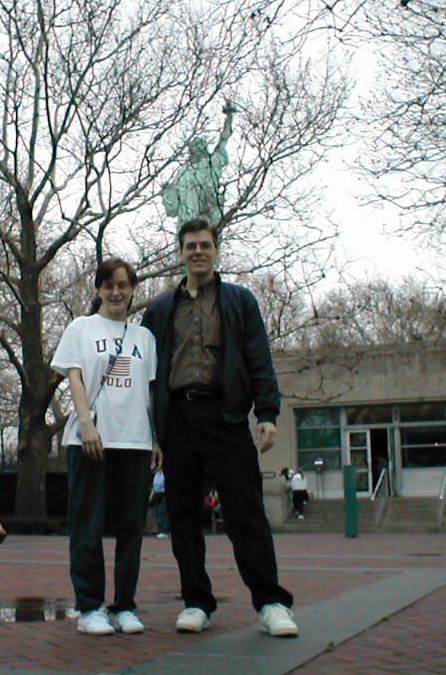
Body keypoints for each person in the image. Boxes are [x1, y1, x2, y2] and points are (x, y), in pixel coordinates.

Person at [141, 217, 298, 638]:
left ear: (216, 250)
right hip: (177, 420)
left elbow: (258, 358)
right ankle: (196, 601)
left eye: (205, 245)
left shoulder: (239, 301)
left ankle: (271, 602)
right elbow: (145, 372)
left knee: (246, 512)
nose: (198, 251)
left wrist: (267, 413)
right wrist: (151, 431)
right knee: (183, 515)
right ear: (180, 251)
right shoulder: (159, 309)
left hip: (225, 416)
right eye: (190, 245)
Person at [51, 257, 159, 636]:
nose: (116, 292)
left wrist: (156, 438)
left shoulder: (144, 338)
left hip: (135, 441)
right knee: (88, 526)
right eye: (108, 284)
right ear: (98, 289)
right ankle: (89, 607)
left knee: (131, 527)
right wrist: (86, 425)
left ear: (132, 290)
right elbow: (75, 378)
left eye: (123, 285)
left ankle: (125, 605)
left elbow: (149, 393)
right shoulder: (81, 328)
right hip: (90, 441)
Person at [151, 469, 170, 538]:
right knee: (158, 514)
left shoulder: (165, 474)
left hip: (164, 494)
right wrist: (151, 496)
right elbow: (154, 486)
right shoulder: (156, 474)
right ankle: (161, 530)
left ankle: (165, 531)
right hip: (157, 495)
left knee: (163, 512)